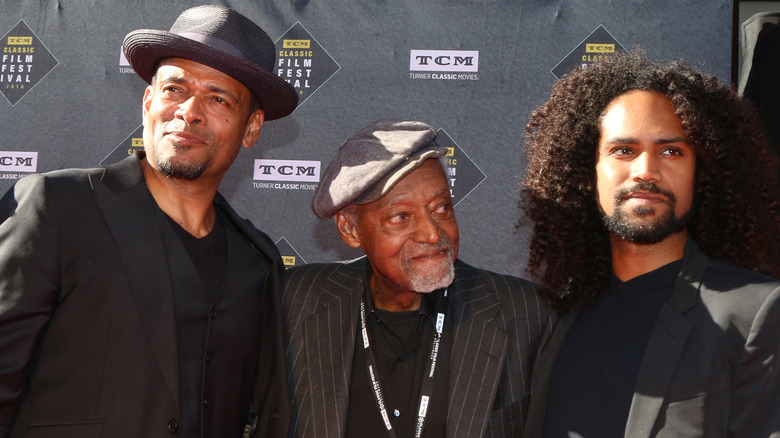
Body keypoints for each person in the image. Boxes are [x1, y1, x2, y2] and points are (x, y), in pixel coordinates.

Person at [0, 5, 298, 438]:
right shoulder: (59, 208)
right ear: (148, 100)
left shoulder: (259, 263)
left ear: (251, 128)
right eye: (175, 88)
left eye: (217, 98)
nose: (189, 111)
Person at [519, 52, 780, 437]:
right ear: (587, 175)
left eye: (671, 151)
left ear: (701, 174)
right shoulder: (555, 313)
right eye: (623, 150)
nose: (646, 170)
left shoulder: (755, 311)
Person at [282, 119, 554, 438]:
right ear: (350, 229)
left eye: (441, 208)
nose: (431, 233)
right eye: (401, 217)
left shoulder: (527, 314)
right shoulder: (293, 301)